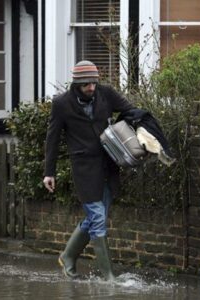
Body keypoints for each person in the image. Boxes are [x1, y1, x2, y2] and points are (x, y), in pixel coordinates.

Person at [43, 60, 134, 281]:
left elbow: (130, 110)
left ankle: (67, 257)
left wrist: (122, 132)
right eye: (86, 85)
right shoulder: (62, 103)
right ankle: (108, 275)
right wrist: (49, 172)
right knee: (98, 217)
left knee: (96, 216)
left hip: (109, 164)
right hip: (84, 168)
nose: (91, 87)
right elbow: (52, 139)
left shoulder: (106, 93)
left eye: (93, 83)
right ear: (76, 84)